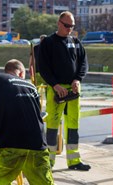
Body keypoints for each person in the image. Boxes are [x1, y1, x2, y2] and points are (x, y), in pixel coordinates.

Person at [38, 11, 91, 171]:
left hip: (73, 90)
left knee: (73, 125)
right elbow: (43, 68)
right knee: (53, 125)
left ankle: (74, 160)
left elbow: (83, 63)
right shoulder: (48, 42)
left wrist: (77, 80)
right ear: (59, 23)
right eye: (67, 25)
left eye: (72, 26)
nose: (69, 29)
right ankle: (49, 161)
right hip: (56, 90)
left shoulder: (75, 42)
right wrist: (55, 85)